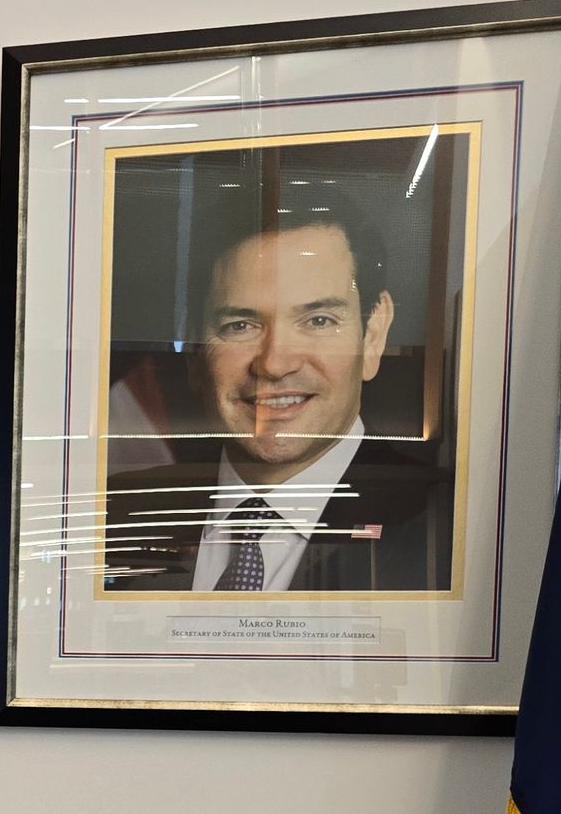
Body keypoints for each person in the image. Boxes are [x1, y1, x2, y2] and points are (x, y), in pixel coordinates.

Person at [105, 191, 452, 594]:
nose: (273, 363)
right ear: (194, 351)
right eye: (239, 325)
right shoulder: (116, 516)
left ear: (373, 336)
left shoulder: (445, 525)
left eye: (318, 320)